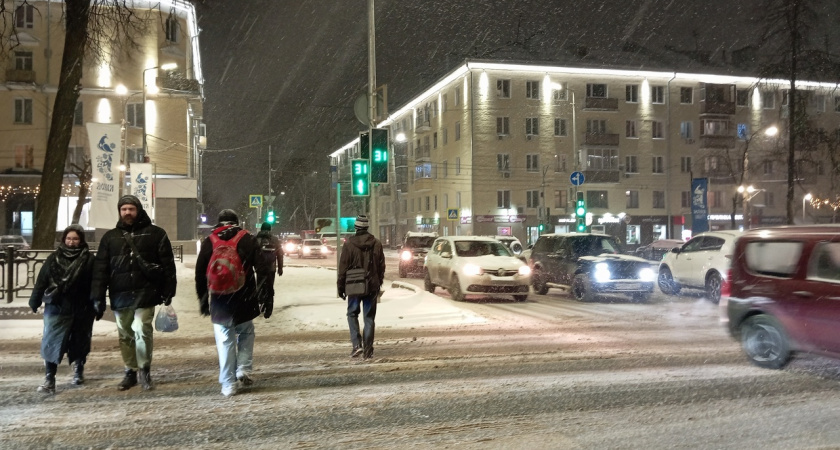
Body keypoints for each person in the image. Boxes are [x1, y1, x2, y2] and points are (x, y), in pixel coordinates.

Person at [91, 194, 177, 391]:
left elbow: (168, 265)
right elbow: (100, 270)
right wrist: (97, 297)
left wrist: (169, 290)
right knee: (125, 334)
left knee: (142, 330)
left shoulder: (156, 234)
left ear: (138, 210)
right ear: (119, 212)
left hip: (146, 293)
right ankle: (130, 371)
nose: (127, 212)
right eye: (124, 209)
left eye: (131, 209)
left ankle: (144, 369)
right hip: (120, 294)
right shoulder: (110, 238)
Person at [195, 209, 273, 397]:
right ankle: (243, 369)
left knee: (225, 340)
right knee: (246, 331)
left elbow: (200, 273)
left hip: (220, 300)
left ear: (219, 223)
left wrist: (204, 300)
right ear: (237, 222)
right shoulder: (248, 239)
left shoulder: (210, 241)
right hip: (245, 297)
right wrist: (266, 296)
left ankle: (228, 383)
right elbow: (263, 269)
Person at [28, 225, 96, 394]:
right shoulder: (54, 258)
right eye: (68, 238)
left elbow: (96, 284)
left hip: (82, 307)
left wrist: (97, 302)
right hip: (57, 306)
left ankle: (78, 370)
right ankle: (49, 378)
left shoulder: (89, 260)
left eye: (75, 239)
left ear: (81, 240)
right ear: (64, 240)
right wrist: (34, 300)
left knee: (80, 341)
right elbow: (42, 280)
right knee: (51, 342)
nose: (71, 242)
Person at [337, 214, 385, 360]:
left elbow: (343, 268)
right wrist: (378, 282)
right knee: (369, 318)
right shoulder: (376, 243)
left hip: (354, 285)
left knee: (352, 314)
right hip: (371, 285)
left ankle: (357, 345)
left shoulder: (349, 244)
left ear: (356, 228)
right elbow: (381, 266)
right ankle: (368, 351)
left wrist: (341, 287)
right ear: (367, 227)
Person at [254, 222, 283, 315]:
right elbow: (280, 254)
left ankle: (260, 301)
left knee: (259, 285)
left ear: (261, 229)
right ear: (270, 229)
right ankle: (269, 306)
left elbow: (252, 253)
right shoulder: (274, 239)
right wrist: (280, 268)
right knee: (270, 286)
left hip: (260, 268)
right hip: (271, 268)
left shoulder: (257, 239)